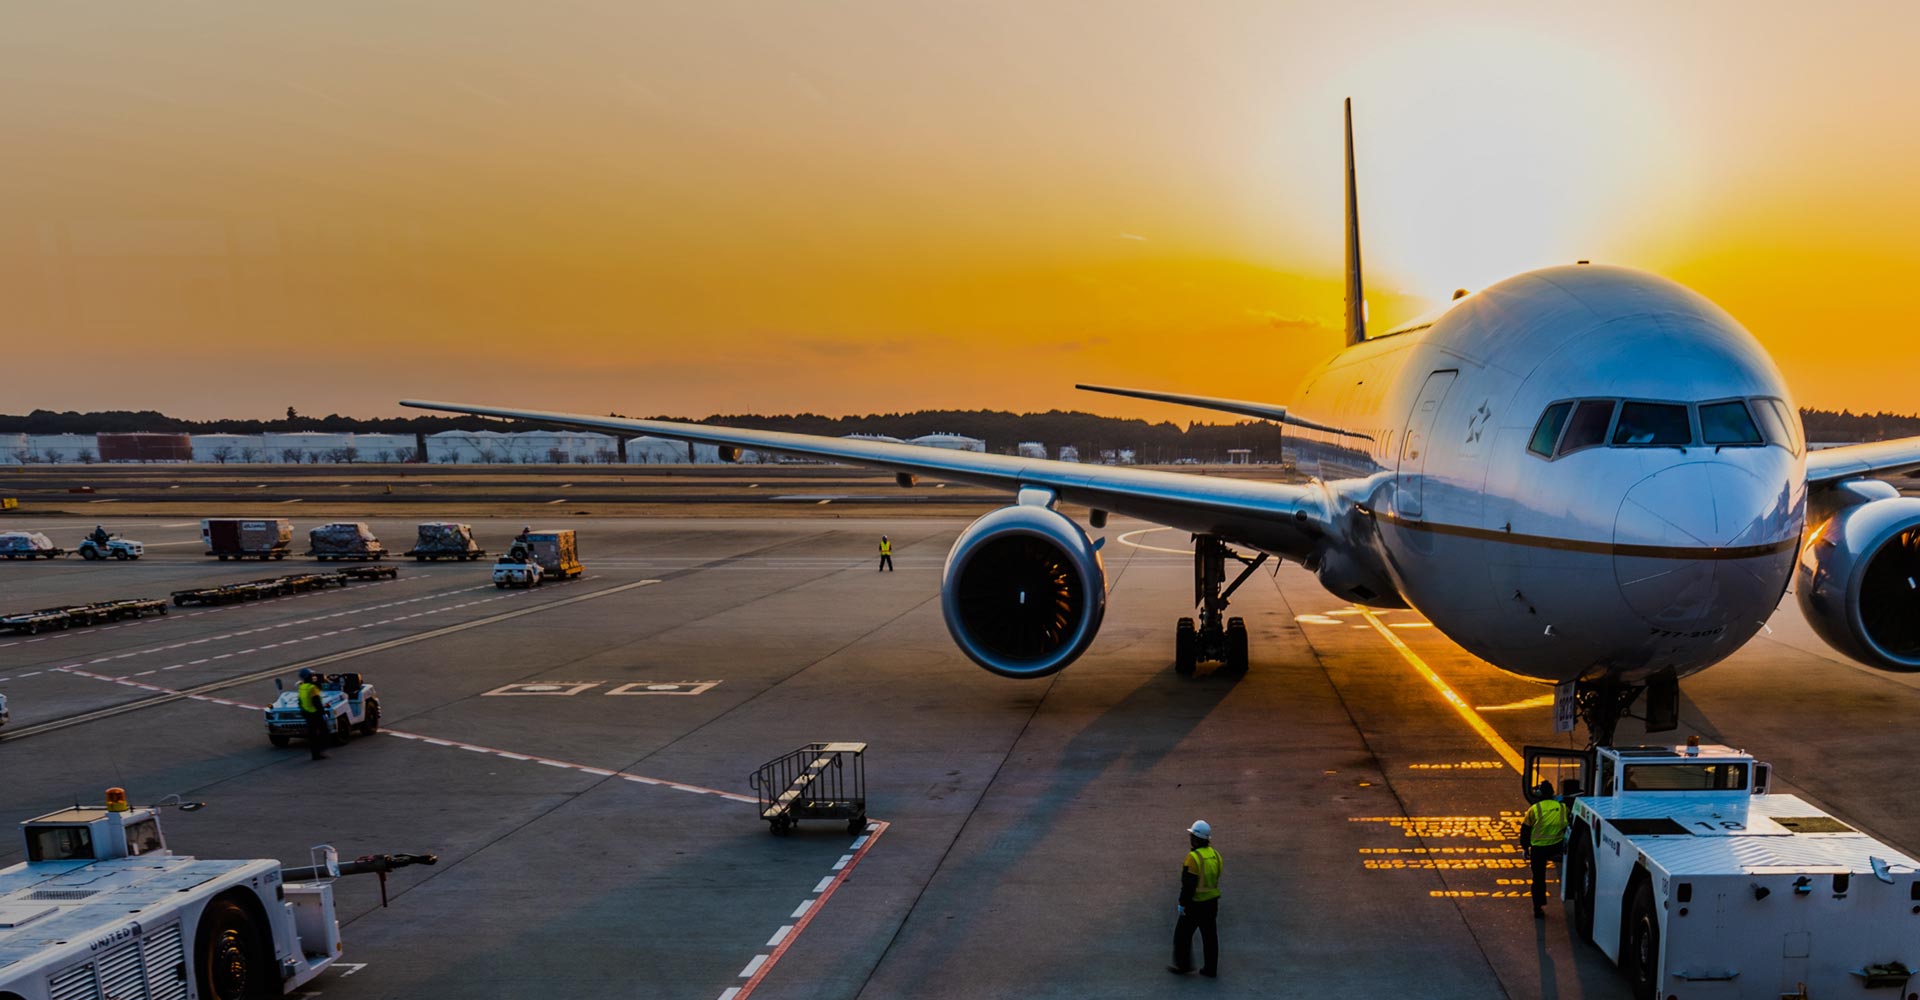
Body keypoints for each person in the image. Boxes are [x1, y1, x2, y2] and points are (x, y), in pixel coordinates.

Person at [1168, 819, 1222, 977]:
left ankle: (1183, 965)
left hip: (1195, 904)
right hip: (1212, 903)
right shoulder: (1215, 855)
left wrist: (1182, 904)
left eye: (1192, 836)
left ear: (1196, 839)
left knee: (1182, 935)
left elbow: (1188, 885)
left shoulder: (1193, 858)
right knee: (1210, 937)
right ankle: (1211, 969)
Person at [1520, 779, 1570, 918]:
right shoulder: (1562, 807)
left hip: (1538, 848)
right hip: (1557, 845)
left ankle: (1538, 907)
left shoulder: (1534, 809)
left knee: (1538, 878)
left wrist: (1525, 848)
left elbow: (1525, 830)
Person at [296, 668, 331, 761]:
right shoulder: (312, 688)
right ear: (308, 677)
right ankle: (321, 749)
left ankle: (315, 754)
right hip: (315, 714)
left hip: (307, 714)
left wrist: (303, 712)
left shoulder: (301, 687)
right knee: (324, 731)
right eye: (311, 675)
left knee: (312, 735)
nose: (313, 677)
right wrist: (323, 714)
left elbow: (300, 702)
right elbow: (317, 703)